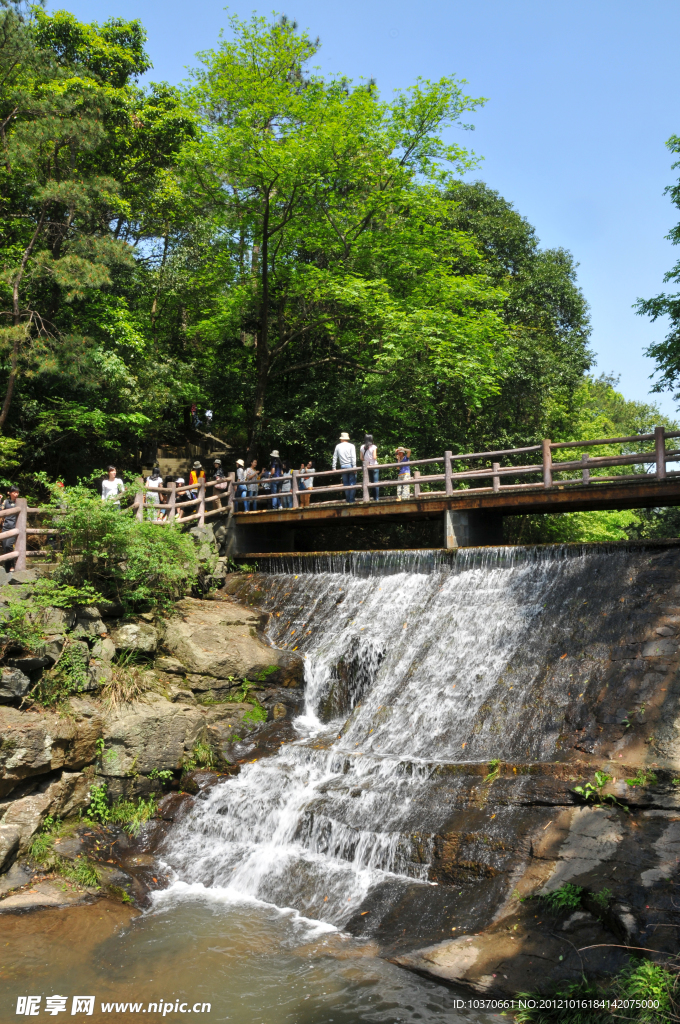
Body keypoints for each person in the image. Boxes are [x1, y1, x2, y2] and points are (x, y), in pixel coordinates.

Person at [332, 431, 357, 503]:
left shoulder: (338, 446)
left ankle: (348, 500)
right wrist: (354, 467)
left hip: (343, 466)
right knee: (352, 484)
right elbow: (353, 457)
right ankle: (351, 500)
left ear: (342, 439)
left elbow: (335, 457)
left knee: (345, 484)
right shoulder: (351, 446)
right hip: (351, 466)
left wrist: (334, 467)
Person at [1, 486, 20, 566]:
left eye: (17, 492)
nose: (16, 494)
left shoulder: (19, 502)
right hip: (5, 527)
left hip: (14, 527)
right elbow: (1, 510)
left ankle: (12, 565)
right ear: (10, 493)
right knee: (5, 546)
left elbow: (26, 509)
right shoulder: (5, 502)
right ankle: (8, 567)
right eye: (14, 492)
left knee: (9, 545)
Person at [360, 434, 379, 501]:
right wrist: (376, 457)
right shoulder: (373, 447)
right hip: (374, 465)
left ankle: (370, 498)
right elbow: (374, 457)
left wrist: (367, 460)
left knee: (369, 483)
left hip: (367, 467)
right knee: (375, 482)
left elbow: (361, 458)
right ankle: (376, 499)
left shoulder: (362, 447)